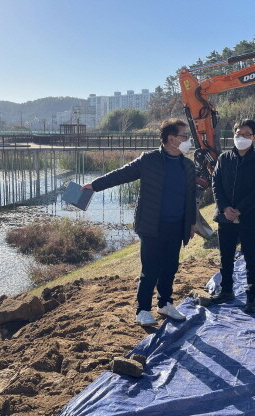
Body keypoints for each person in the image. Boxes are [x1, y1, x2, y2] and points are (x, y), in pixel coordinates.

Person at [82, 118, 196, 326]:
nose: (188, 140)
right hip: (152, 224)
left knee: (170, 267)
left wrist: (191, 223)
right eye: (184, 136)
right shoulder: (149, 160)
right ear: (171, 139)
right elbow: (121, 174)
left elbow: (190, 197)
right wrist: (94, 185)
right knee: (150, 269)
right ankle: (143, 309)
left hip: (177, 225)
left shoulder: (187, 165)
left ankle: (165, 303)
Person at [210, 119, 255, 313]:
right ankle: (226, 290)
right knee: (225, 256)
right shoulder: (224, 158)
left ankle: (252, 296)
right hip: (225, 217)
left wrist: (240, 209)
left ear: (254, 137)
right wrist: (225, 208)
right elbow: (216, 184)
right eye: (238, 133)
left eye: (246, 134)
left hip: (249, 217)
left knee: (251, 257)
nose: (241, 137)